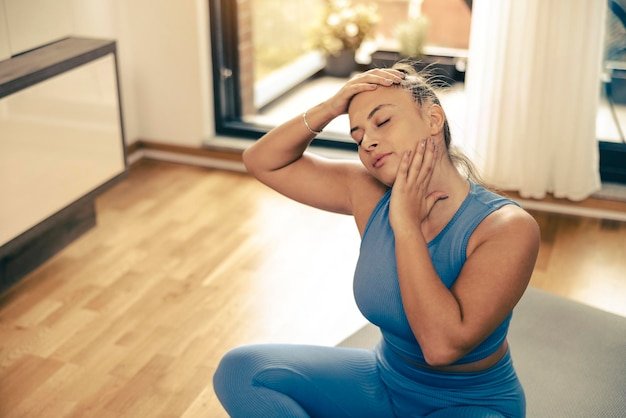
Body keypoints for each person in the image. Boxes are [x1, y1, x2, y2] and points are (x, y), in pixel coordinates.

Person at [213, 62, 540, 418]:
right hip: (383, 382)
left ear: (433, 119)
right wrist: (331, 106)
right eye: (357, 136)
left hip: (468, 404)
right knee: (242, 371)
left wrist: (406, 226)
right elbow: (262, 161)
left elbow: (441, 347)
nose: (367, 141)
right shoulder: (367, 193)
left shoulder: (505, 227)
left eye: (382, 122)